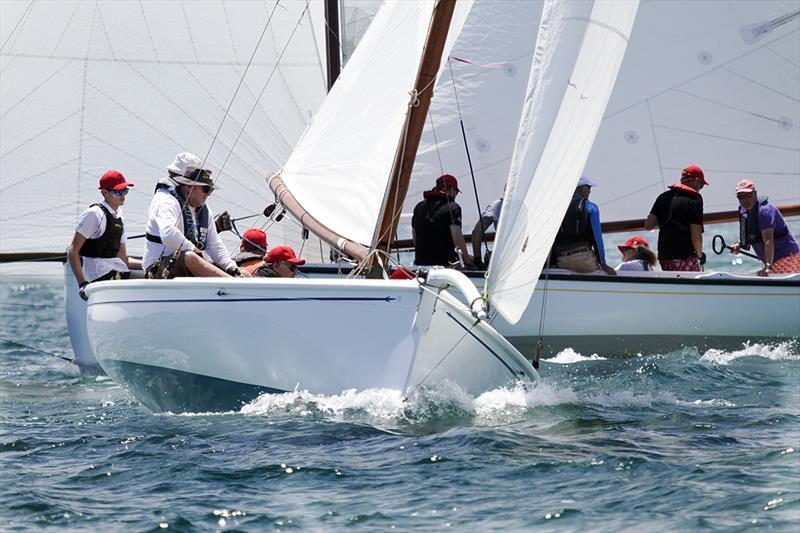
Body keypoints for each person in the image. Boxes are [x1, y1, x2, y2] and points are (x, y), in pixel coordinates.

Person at [143, 152, 246, 279]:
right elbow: (168, 234)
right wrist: (194, 250)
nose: (209, 194)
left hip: (186, 267)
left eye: (211, 189)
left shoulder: (204, 209)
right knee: (190, 257)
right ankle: (232, 285)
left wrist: (232, 268)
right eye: (206, 189)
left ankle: (239, 282)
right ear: (188, 186)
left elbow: (214, 244)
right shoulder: (165, 200)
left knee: (242, 271)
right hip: (158, 271)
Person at [67, 170, 143, 301]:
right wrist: (82, 284)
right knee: (150, 280)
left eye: (125, 190)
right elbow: (72, 250)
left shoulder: (119, 215)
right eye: (118, 192)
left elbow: (123, 259)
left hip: (118, 271)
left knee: (157, 274)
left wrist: (149, 264)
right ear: (105, 192)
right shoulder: (94, 214)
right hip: (102, 276)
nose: (123, 195)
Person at [731, 179, 800, 275]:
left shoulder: (765, 211)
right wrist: (739, 245)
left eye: (748, 196)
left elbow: (768, 241)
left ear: (755, 194)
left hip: (786, 257)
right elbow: (750, 235)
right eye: (740, 197)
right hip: (772, 260)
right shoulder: (744, 212)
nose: (744, 200)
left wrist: (768, 266)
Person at [645, 165, 707, 271]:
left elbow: (648, 225)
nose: (700, 189)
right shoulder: (694, 201)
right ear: (696, 181)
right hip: (684, 256)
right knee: (689, 286)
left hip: (664, 257)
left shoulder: (663, 197)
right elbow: (696, 237)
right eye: (701, 186)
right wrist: (700, 255)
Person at [551, 176, 616, 275]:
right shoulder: (590, 207)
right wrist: (603, 264)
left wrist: (552, 263)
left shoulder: (556, 206)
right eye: (589, 188)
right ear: (582, 188)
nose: (590, 192)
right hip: (584, 261)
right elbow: (596, 238)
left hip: (561, 261)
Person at [411, 174, 473, 267]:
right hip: (445, 265)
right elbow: (457, 237)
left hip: (420, 264)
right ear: (451, 189)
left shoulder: (418, 206)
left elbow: (415, 234)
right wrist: (468, 261)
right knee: (472, 259)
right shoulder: (453, 207)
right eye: (456, 192)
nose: (455, 195)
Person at [471, 196, 503, 269]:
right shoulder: (529, 205)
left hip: (502, 260)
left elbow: (476, 232)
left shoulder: (498, 205)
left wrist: (478, 260)